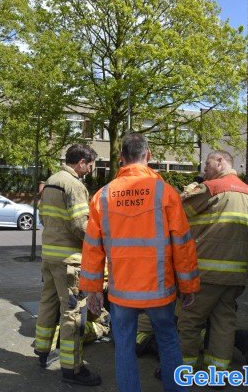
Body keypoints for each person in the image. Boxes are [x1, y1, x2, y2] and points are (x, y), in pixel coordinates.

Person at [80, 132, 200, 392]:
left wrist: (92, 290)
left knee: (124, 346)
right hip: (160, 290)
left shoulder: (102, 196)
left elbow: (92, 248)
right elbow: (182, 244)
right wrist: (188, 286)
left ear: (121, 157)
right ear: (149, 155)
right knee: (168, 340)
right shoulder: (165, 193)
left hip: (122, 292)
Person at [177, 150, 248, 374]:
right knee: (224, 323)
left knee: (189, 320)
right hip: (234, 275)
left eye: (207, 163)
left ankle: (184, 371)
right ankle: (218, 373)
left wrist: (189, 190)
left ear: (221, 162)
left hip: (205, 273)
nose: (204, 169)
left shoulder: (211, 188)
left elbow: (178, 211)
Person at [33, 143, 104, 386]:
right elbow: (80, 225)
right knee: (72, 313)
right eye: (91, 165)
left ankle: (42, 351)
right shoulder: (74, 185)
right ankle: (72, 369)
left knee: (48, 303)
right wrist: (98, 245)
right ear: (82, 162)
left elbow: (44, 217)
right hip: (69, 261)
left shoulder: (51, 181)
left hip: (49, 256)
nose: (91, 170)